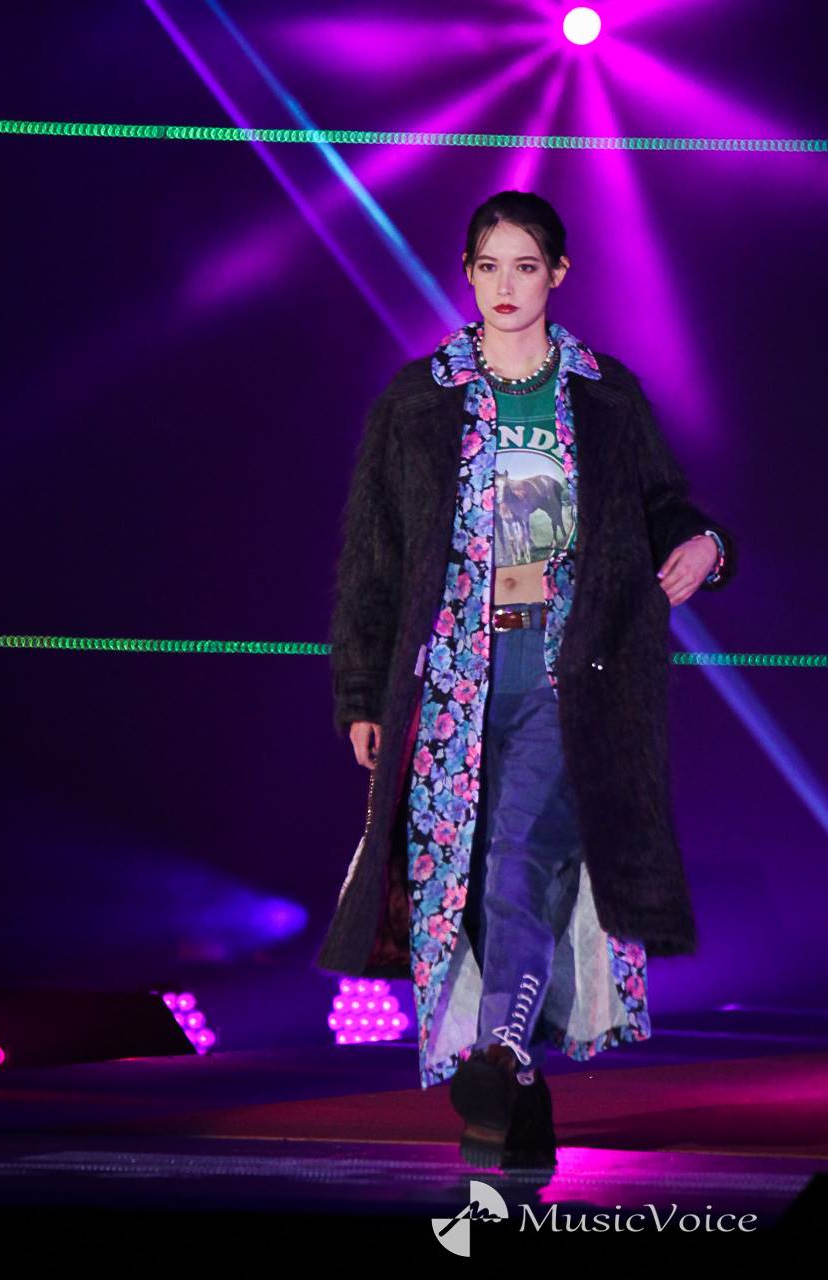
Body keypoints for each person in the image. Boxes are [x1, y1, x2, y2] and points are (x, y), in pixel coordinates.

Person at [314, 190, 738, 1171]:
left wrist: (707, 545)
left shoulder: (603, 395)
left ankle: (499, 1052)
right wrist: (360, 694)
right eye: (488, 266)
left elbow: (665, 505)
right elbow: (373, 561)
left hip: (570, 669)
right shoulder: (416, 401)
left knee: (519, 860)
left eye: (525, 266)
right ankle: (517, 1097)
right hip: (451, 681)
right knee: (457, 885)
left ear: (558, 274)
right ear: (467, 274)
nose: (505, 286)